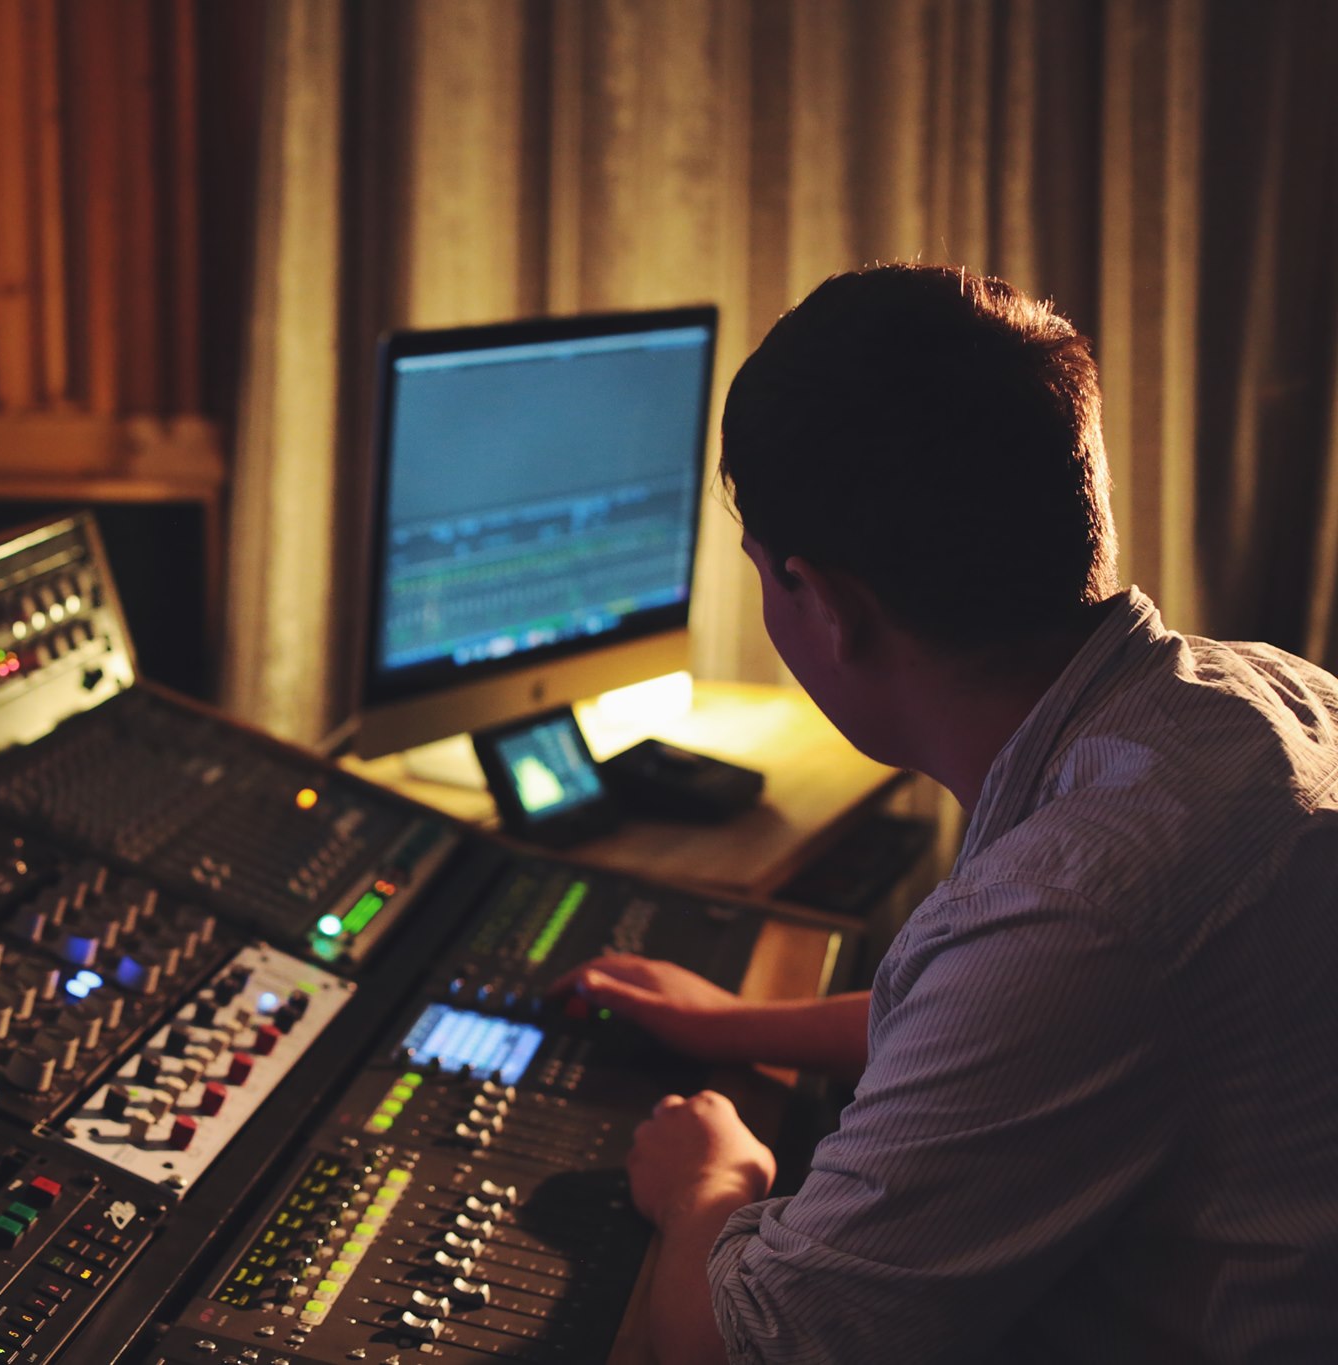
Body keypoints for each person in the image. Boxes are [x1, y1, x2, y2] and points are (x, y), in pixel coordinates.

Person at [552, 264, 1338, 1363]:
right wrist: (733, 1026)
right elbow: (1003, 1026)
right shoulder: (1258, 696)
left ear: (822, 605)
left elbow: (743, 1348)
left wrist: (709, 1187)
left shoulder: (1083, 903)